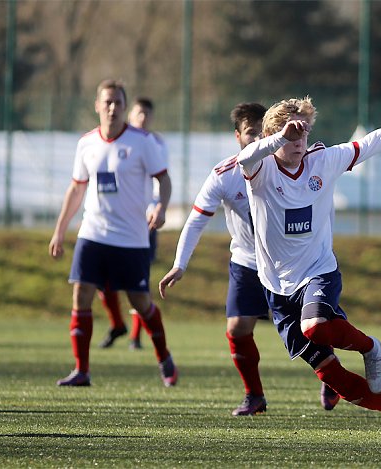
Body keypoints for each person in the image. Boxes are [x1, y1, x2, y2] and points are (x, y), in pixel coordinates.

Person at [236, 97, 381, 434]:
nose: (298, 139)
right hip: (276, 287)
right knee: (331, 374)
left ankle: (371, 347)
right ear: (272, 135)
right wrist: (282, 136)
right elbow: (244, 157)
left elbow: (375, 141)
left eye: (303, 132)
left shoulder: (323, 161)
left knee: (315, 326)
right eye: (290, 132)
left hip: (318, 271)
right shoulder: (260, 169)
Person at [158, 102, 340, 415]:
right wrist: (180, 263)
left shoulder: (296, 164)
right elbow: (197, 218)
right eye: (250, 133)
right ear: (238, 136)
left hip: (292, 264)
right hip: (248, 262)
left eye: (261, 133)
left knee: (313, 326)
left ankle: (333, 375)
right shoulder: (224, 174)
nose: (256, 140)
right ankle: (254, 395)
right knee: (237, 327)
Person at [49, 79, 178, 388]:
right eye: (107, 102)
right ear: (97, 105)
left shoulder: (142, 142)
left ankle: (164, 357)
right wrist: (59, 230)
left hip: (132, 237)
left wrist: (161, 207)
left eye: (117, 102)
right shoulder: (86, 143)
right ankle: (82, 370)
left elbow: (164, 179)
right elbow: (76, 188)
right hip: (92, 233)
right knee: (81, 294)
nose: (112, 108)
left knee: (140, 302)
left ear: (124, 107)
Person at [98, 97, 169, 351]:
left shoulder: (154, 143)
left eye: (147, 114)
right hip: (109, 223)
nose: (143, 118)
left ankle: (136, 336)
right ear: (130, 114)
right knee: (101, 281)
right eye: (139, 113)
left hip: (141, 223)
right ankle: (118, 323)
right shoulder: (107, 140)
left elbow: (162, 179)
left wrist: (157, 208)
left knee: (138, 283)